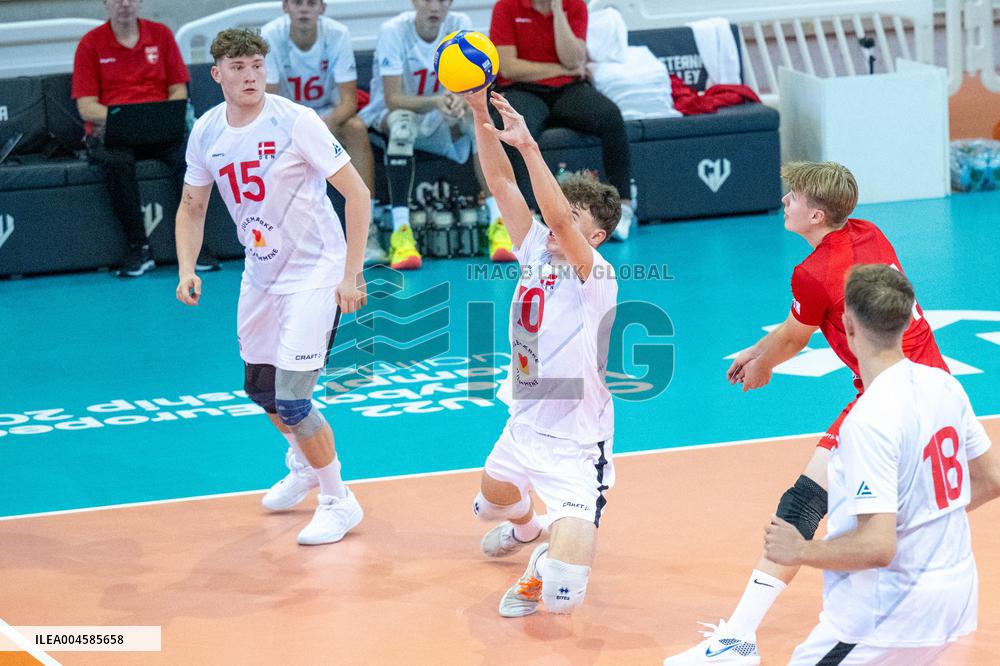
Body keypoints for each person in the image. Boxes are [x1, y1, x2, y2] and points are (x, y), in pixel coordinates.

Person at [664, 162, 950, 663]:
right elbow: (800, 323)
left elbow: (798, 336)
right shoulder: (868, 232)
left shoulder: (813, 273)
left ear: (816, 214)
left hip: (887, 402)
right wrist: (759, 350)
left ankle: (737, 640)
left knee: (803, 503)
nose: (784, 202)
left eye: (792, 197)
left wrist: (764, 367)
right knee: (895, 513)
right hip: (935, 388)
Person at [174, 28, 369, 545]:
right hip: (260, 274)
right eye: (237, 67)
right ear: (216, 74)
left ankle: (337, 499)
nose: (250, 75)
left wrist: (351, 275)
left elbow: (358, 194)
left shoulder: (295, 121)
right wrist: (186, 267)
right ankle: (305, 465)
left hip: (315, 272)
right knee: (260, 389)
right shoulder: (208, 131)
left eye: (257, 65)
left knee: (293, 400)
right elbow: (193, 206)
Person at [765, 264, 1000, 664]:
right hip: (956, 597)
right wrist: (921, 518)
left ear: (848, 326)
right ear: (909, 320)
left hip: (887, 615)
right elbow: (992, 479)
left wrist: (801, 549)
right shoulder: (945, 385)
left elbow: (877, 547)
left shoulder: (868, 421)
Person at [466, 87, 619, 618]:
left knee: (562, 597)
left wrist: (530, 146)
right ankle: (527, 528)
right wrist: (477, 110)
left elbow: (552, 216)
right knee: (489, 507)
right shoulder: (535, 247)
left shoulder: (595, 274)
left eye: (573, 217)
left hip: (575, 445)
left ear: (595, 235)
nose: (558, 222)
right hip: (524, 420)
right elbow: (500, 182)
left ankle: (540, 566)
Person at [359, 0, 516, 271]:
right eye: (428, 0)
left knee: (480, 121)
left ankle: (498, 224)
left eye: (442, 0)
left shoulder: (460, 27)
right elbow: (393, 99)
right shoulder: (393, 31)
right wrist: (438, 102)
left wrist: (459, 102)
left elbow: (471, 85)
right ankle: (402, 233)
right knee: (402, 125)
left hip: (440, 114)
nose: (435, 7)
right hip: (392, 113)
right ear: (414, 2)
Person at [73, 0, 219, 277]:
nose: (125, 4)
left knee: (190, 159)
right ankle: (138, 247)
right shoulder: (90, 44)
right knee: (117, 163)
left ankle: (194, 246)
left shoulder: (161, 35)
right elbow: (87, 107)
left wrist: (157, 116)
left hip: (159, 129)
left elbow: (178, 91)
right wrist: (123, 120)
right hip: (112, 132)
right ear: (106, 4)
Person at [489, 0, 635, 241]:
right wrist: (564, 70)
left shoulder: (574, 5)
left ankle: (625, 206)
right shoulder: (505, 7)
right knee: (512, 127)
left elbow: (573, 59)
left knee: (610, 117)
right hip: (523, 90)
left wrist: (558, 11)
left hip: (568, 90)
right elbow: (509, 67)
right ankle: (529, 215)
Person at [261, 0, 385, 265]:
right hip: (286, 120)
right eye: (297, 3)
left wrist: (316, 129)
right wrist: (301, 130)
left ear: (322, 8)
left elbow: (349, 103)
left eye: (311, 3)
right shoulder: (270, 35)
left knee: (356, 128)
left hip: (330, 117)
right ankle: (281, 238)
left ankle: (368, 232)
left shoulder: (337, 34)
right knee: (264, 138)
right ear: (286, 7)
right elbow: (269, 103)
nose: (304, 9)